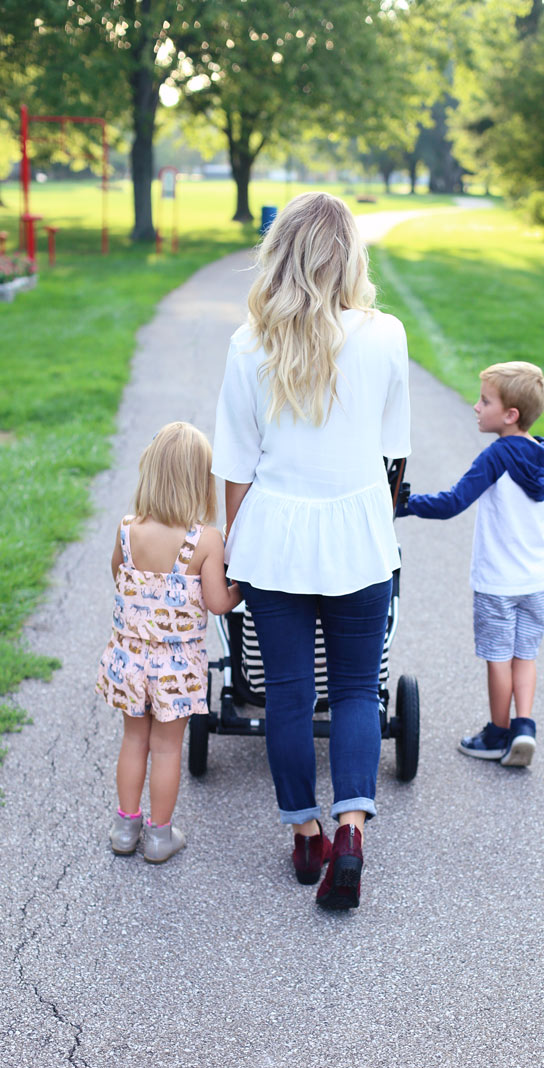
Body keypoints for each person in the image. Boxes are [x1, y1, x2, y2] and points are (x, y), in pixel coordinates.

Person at [212, 192, 411, 911]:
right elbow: (394, 454)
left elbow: (235, 464)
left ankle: (304, 833)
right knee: (358, 688)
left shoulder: (248, 344)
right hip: (359, 534)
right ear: (350, 255)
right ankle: (352, 828)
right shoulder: (386, 335)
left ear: (280, 254)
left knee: (289, 695)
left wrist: (232, 556)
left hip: (275, 540)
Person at [397, 361, 544, 767]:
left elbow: (453, 502)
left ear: (510, 415)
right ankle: (524, 727)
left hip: (498, 583)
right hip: (538, 580)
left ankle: (497, 733)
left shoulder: (497, 457)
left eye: (485, 401)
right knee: (525, 655)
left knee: (498, 657)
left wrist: (402, 504)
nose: (475, 406)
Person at [96, 422, 241, 862]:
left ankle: (125, 828)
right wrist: (242, 589)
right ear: (201, 482)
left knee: (133, 741)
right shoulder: (205, 540)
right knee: (165, 748)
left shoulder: (128, 529)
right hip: (175, 669)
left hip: (129, 657)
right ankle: (159, 836)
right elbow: (217, 603)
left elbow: (118, 576)